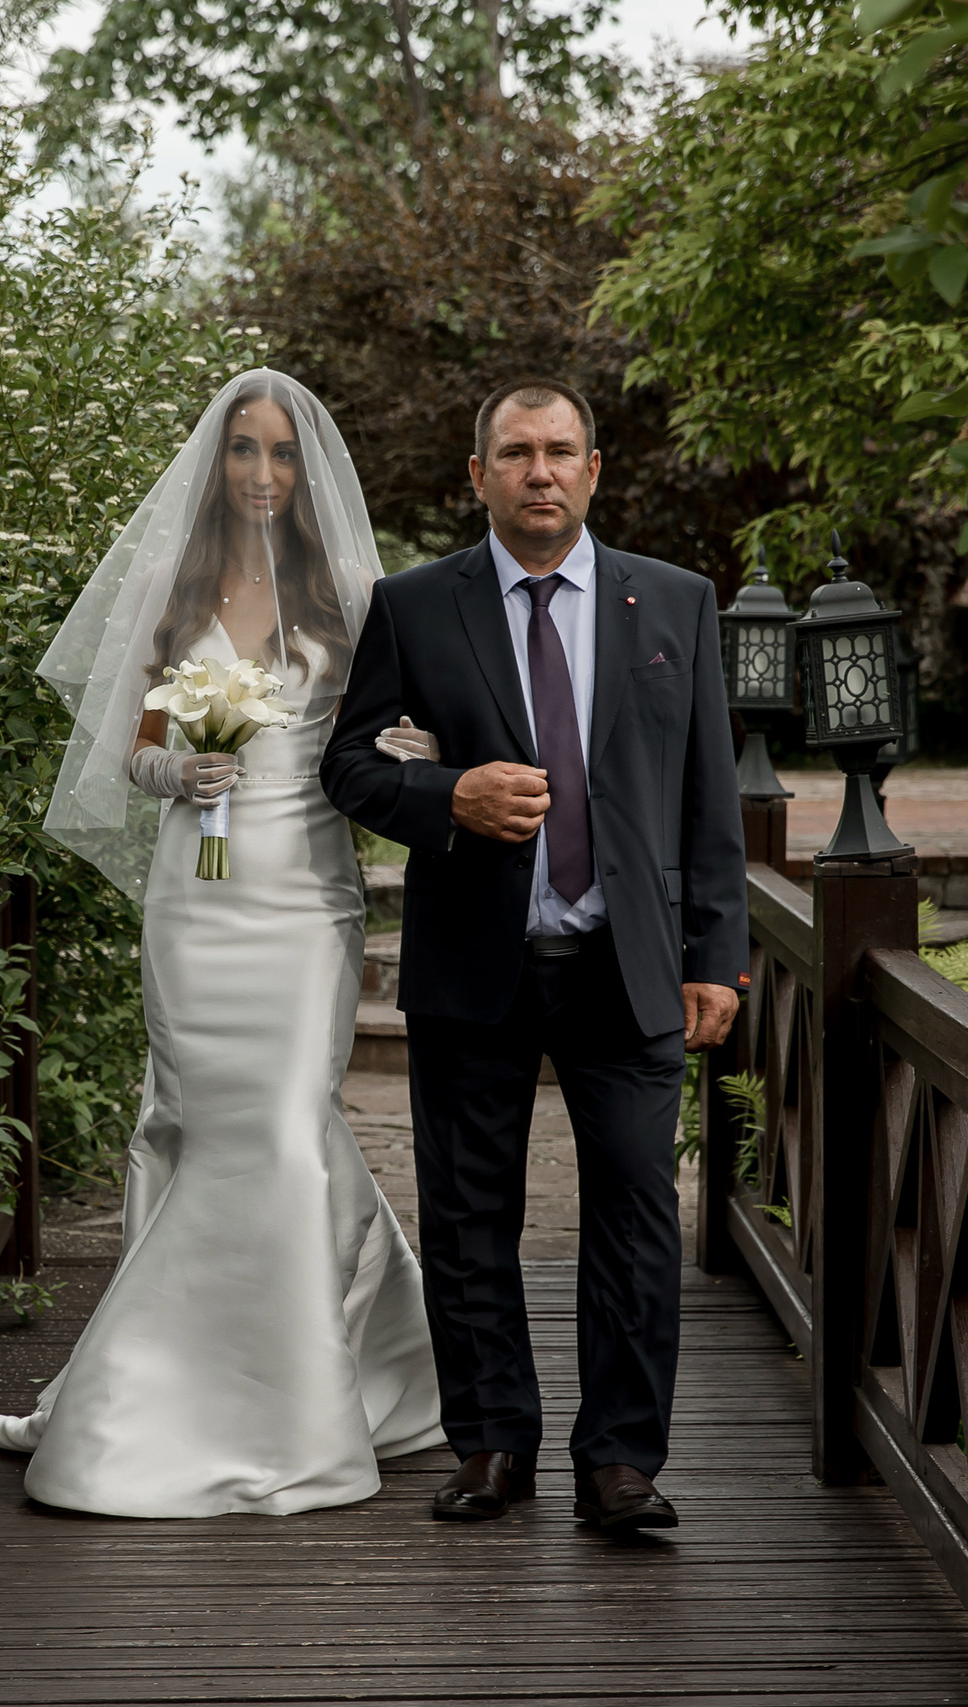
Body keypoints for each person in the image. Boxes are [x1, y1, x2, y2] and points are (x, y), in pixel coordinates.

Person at [0, 370, 446, 1516]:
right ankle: (208, 1386)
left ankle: (306, 1404)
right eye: (243, 451)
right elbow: (130, 749)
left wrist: (418, 748)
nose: (263, 473)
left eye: (281, 453)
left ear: (307, 468)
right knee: (206, 1131)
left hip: (308, 903)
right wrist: (177, 768)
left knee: (283, 1131)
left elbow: (397, 731)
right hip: (196, 900)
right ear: (217, 462)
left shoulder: (355, 597)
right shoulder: (172, 590)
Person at [321, 378, 747, 1533]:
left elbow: (710, 795)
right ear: (479, 477)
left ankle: (619, 1463)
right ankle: (491, 1446)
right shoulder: (412, 606)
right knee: (468, 1216)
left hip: (630, 961)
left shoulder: (674, 602)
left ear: (595, 469)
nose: (540, 472)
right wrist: (444, 793)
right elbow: (349, 766)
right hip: (475, 958)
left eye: (561, 452)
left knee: (633, 1213)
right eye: (515, 454)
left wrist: (720, 954)